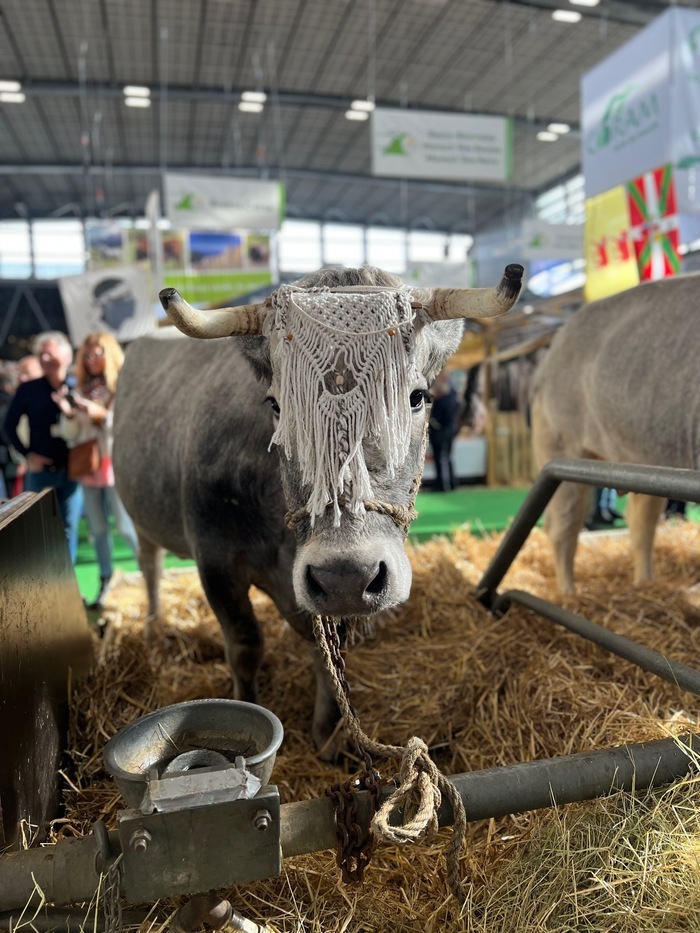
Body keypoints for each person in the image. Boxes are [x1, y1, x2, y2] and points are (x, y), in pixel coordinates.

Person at [52, 331, 139, 609]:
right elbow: (72, 433)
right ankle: (105, 582)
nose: (91, 360)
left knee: (126, 526)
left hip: (115, 462)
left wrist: (101, 415)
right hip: (89, 465)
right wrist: (69, 413)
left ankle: (147, 578)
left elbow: (127, 425)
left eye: (97, 354)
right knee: (98, 528)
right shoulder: (81, 387)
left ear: (108, 354)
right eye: (86, 355)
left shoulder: (122, 384)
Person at [2, 333, 83, 561]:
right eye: (41, 354)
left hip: (73, 471)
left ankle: (70, 590)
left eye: (50, 352)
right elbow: (9, 425)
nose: (45, 357)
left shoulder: (77, 385)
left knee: (68, 529)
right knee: (38, 532)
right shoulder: (29, 389)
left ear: (66, 356)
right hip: (40, 473)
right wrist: (28, 455)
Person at [428, 372, 461, 492]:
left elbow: (436, 417)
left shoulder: (441, 396)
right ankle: (452, 483)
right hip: (450, 430)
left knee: (440, 458)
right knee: (448, 457)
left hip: (441, 431)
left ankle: (442, 485)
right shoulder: (453, 394)